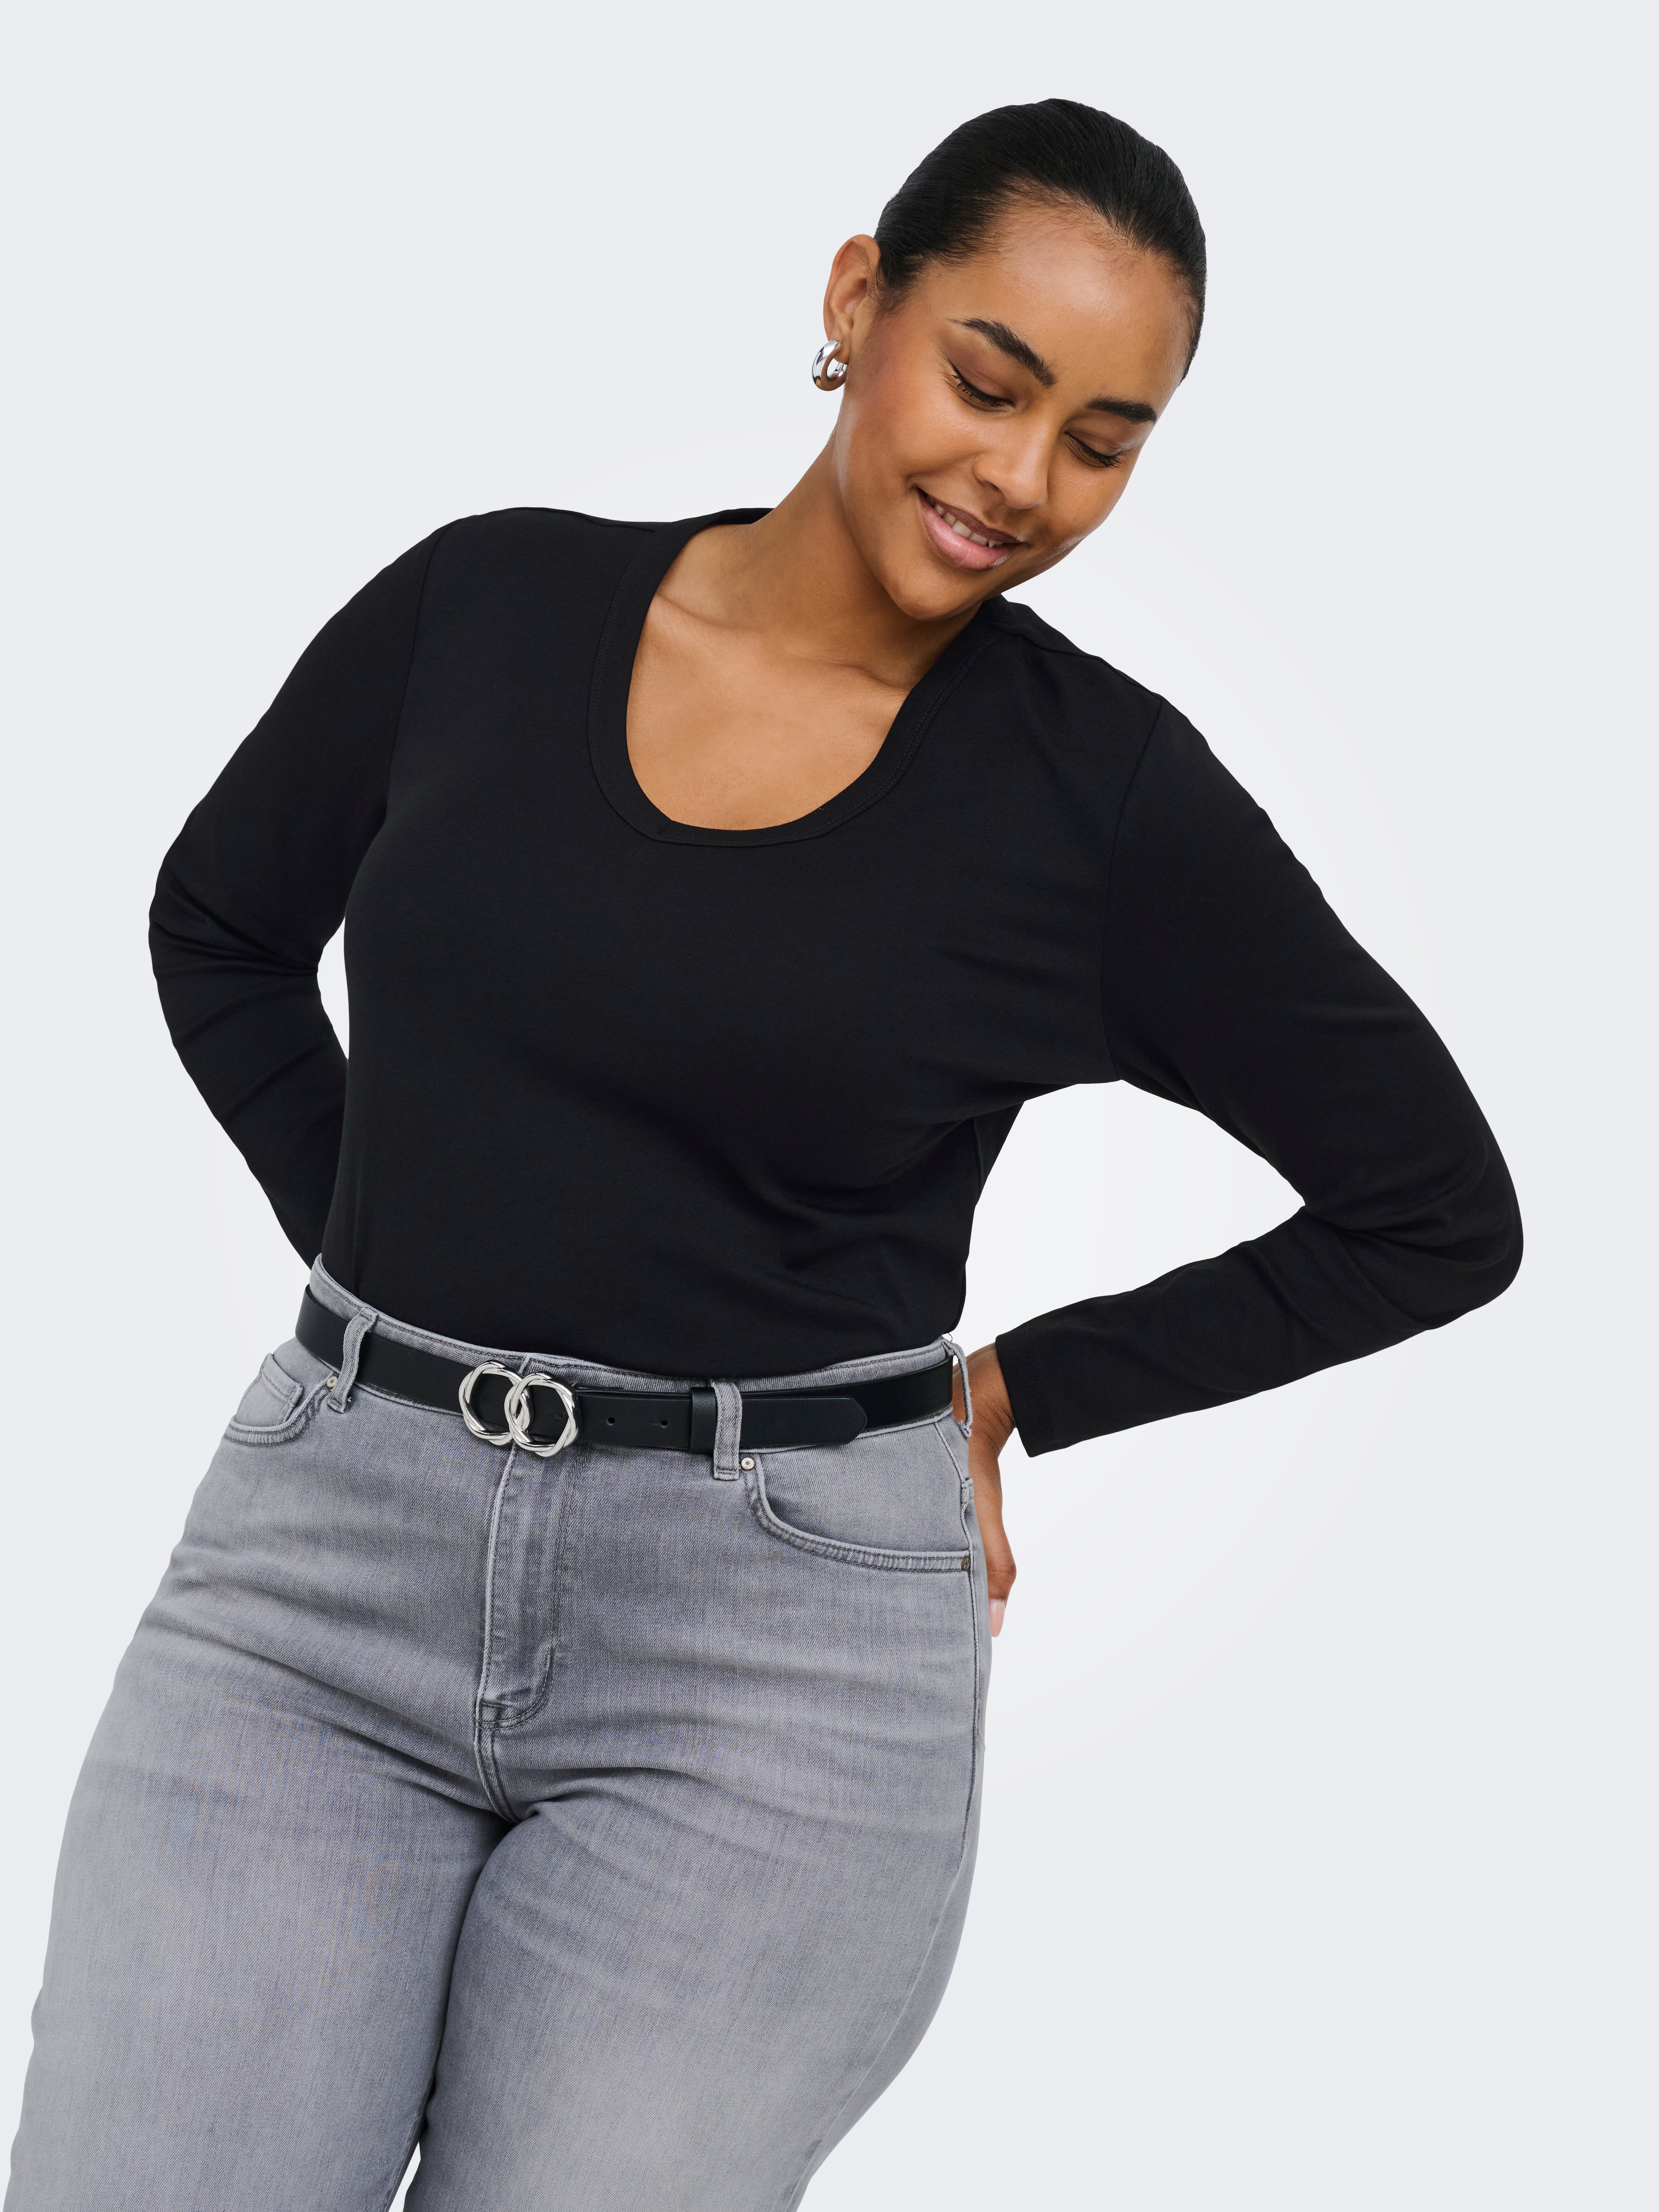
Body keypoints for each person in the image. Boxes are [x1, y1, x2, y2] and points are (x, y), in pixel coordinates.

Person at [6, 97, 1520, 2212]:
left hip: (774, 1664)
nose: (1023, 477)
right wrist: (376, 1238)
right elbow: (222, 928)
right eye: (989, 380)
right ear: (859, 300)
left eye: (1102, 441)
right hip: (321, 1586)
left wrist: (1019, 1391)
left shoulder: (1105, 805)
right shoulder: (486, 604)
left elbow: (1434, 1208)